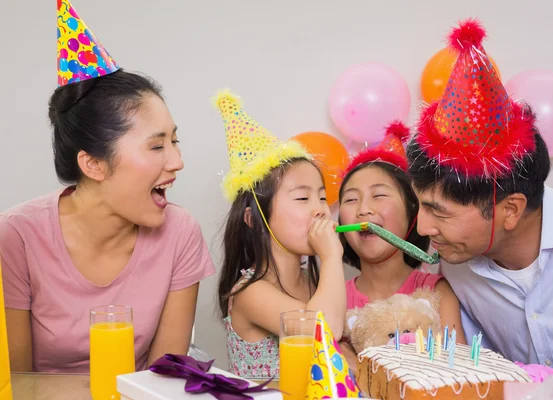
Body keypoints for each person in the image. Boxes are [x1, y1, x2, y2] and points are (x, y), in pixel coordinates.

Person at [0, 1, 215, 373]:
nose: (177, 161)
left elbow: (161, 379)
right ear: (94, 164)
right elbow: (16, 383)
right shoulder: (16, 237)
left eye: (174, 141)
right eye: (156, 145)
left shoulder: (180, 233)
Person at [406, 18, 553, 377]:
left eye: (439, 211)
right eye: (420, 205)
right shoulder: (455, 267)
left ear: (511, 209)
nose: (423, 226)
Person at [214, 91, 346, 379]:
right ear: (253, 218)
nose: (321, 210)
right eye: (302, 199)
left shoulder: (312, 283)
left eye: (323, 198)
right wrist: (333, 255)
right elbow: (326, 334)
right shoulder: (250, 291)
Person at [337, 122, 466, 369]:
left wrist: (357, 363)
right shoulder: (334, 297)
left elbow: (456, 373)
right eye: (351, 199)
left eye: (379, 195)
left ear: (412, 212)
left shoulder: (437, 293)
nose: (364, 209)